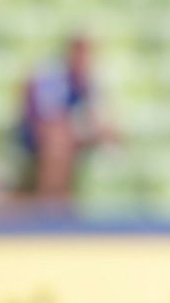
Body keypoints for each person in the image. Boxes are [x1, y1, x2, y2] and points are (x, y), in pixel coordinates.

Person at [16, 34, 115, 210]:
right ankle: (50, 205)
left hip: (73, 131)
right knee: (58, 142)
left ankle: (78, 205)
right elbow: (49, 119)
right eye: (80, 51)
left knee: (108, 135)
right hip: (37, 133)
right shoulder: (52, 74)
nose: (84, 57)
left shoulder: (90, 79)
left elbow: (97, 115)